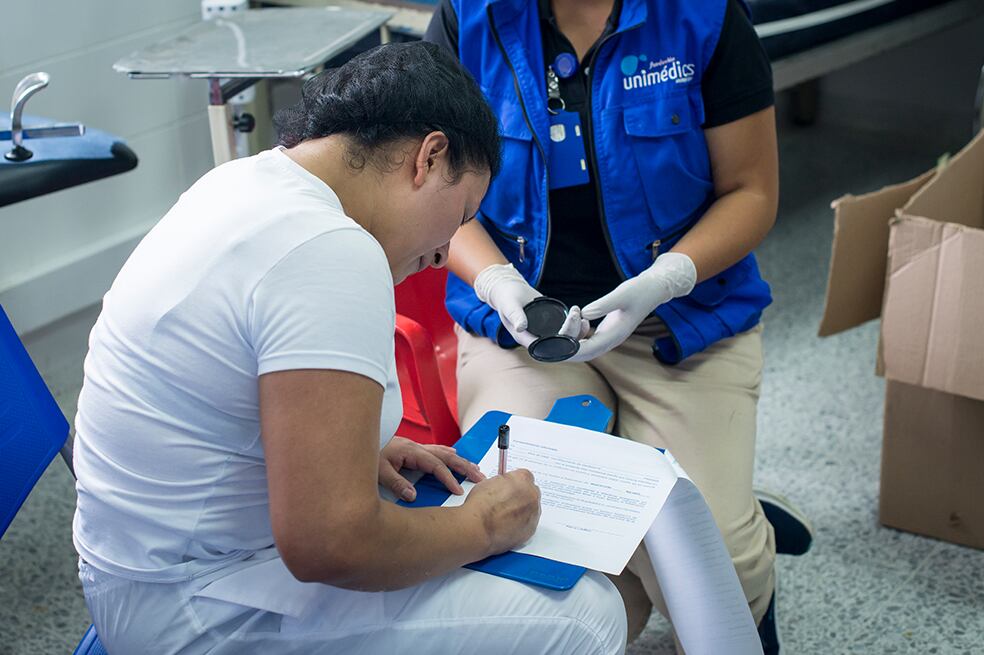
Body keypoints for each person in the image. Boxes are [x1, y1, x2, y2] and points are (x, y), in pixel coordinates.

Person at [71, 42, 626, 654]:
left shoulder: (244, 182)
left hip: (138, 570)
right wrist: (484, 524)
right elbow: (329, 544)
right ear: (429, 156)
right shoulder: (330, 251)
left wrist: (355, 447)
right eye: (461, 211)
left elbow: (217, 391)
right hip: (198, 612)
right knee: (584, 614)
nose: (445, 253)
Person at [425, 1, 808, 652]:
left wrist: (668, 278)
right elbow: (435, 196)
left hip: (680, 323)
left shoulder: (705, 19)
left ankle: (734, 522)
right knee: (531, 565)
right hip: (526, 334)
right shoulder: (468, 21)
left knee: (714, 571)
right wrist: (499, 285)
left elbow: (752, 190)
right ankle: (663, 526)